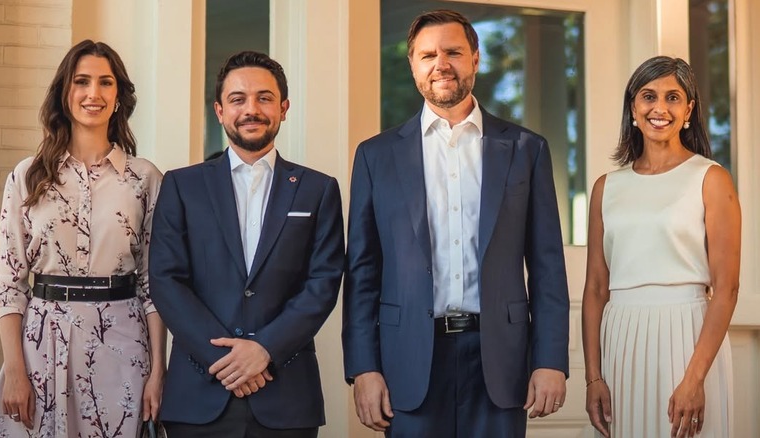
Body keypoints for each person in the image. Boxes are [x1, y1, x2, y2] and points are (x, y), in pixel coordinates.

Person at [342, 9, 570, 437]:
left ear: (475, 59)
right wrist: (363, 367)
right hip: (407, 360)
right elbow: (362, 272)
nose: (440, 64)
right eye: (428, 55)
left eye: (453, 52)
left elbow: (547, 267)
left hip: (500, 361)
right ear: (412, 65)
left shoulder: (525, 149)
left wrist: (550, 359)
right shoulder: (376, 156)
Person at [149, 51, 344, 437]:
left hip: (286, 395)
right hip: (199, 395)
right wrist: (227, 360)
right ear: (220, 111)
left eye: (264, 98)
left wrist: (264, 349)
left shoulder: (318, 189)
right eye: (238, 99)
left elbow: (322, 284)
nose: (251, 109)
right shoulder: (181, 186)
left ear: (284, 108)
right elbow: (166, 280)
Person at [0, 40, 166, 437]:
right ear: (65, 92)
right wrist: (15, 370)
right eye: (81, 81)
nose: (93, 93)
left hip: (123, 348)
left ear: (119, 97)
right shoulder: (27, 175)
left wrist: (158, 371)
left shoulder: (145, 179)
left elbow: (154, 285)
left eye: (106, 83)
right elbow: (10, 285)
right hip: (40, 346)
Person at [582, 56, 739, 438]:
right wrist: (593, 378)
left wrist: (695, 377)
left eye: (673, 97)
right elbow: (596, 289)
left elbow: (728, 289)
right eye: (649, 96)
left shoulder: (711, 178)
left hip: (686, 337)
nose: (660, 108)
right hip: (621, 339)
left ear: (689, 109)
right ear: (633, 108)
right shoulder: (607, 187)